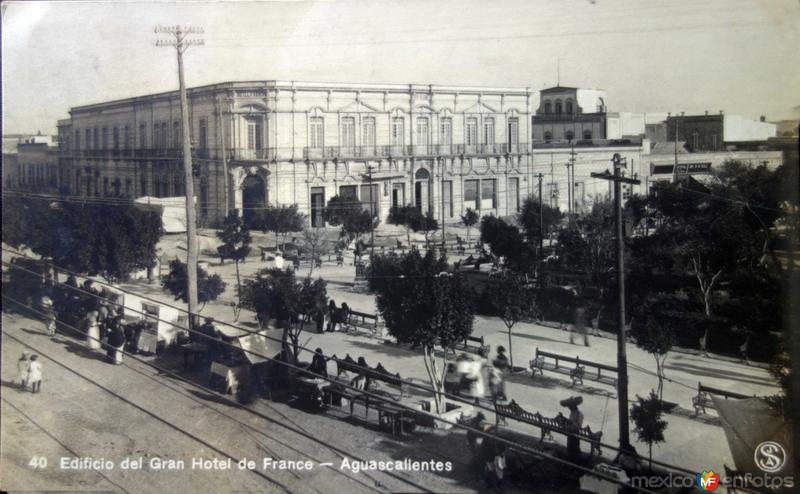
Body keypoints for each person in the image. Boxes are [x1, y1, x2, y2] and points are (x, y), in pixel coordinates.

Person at [561, 396, 584, 461]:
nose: (569, 408)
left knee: (575, 448)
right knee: (569, 448)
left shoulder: (579, 414)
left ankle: (576, 461)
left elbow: (578, 426)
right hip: (570, 433)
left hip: (575, 434)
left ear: (574, 406)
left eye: (570, 406)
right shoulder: (572, 413)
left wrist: (570, 422)